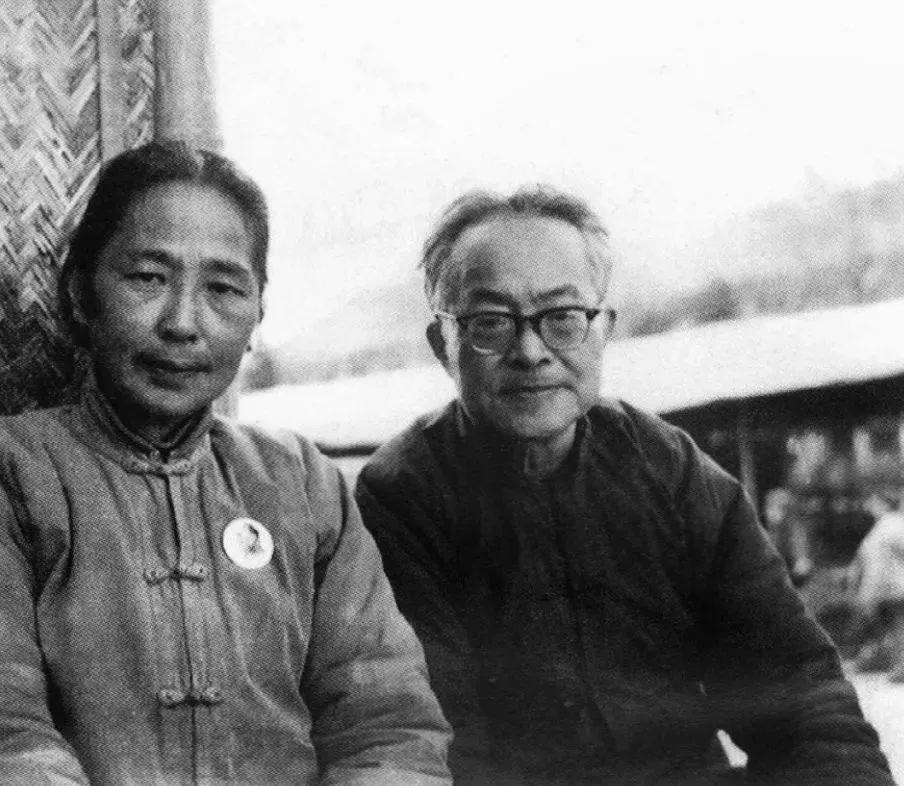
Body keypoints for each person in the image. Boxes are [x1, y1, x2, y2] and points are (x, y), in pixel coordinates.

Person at [0, 141, 451, 785]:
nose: (183, 322)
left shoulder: (301, 484)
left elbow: (387, 728)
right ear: (81, 295)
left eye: (223, 288)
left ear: (258, 313)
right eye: (148, 278)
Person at [355, 185, 892, 784]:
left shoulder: (673, 471)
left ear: (603, 330)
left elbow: (803, 702)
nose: (530, 351)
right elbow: (431, 750)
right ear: (443, 345)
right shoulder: (399, 499)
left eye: (563, 318)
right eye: (490, 323)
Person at [849, 494, 904, 680]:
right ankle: (893, 664)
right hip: (885, 587)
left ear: (884, 504)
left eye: (873, 503)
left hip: (893, 586)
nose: (869, 506)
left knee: (897, 626)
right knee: (891, 627)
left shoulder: (892, 524)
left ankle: (900, 667)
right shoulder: (883, 526)